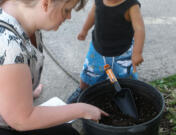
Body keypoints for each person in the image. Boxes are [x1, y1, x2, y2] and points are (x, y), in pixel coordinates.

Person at [0, 0, 109, 135]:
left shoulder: (23, 16)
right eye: (66, 10)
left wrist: (22, 89)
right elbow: (21, 120)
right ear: (46, 4)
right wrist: (81, 109)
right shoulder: (9, 47)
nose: (69, 17)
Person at [67, 0, 145, 103]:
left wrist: (137, 53)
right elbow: (92, 14)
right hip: (97, 49)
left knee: (125, 77)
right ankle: (82, 89)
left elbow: (139, 29)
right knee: (90, 72)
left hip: (122, 52)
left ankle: (127, 95)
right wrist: (84, 30)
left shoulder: (131, 5)